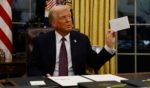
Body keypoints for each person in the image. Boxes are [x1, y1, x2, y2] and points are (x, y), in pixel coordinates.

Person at [27, 5, 116, 77]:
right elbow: (32, 67)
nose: (68, 20)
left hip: (76, 83)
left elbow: (94, 63)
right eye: (63, 17)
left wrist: (108, 46)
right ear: (54, 23)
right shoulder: (42, 41)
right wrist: (42, 77)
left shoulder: (82, 39)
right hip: (51, 83)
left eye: (69, 16)